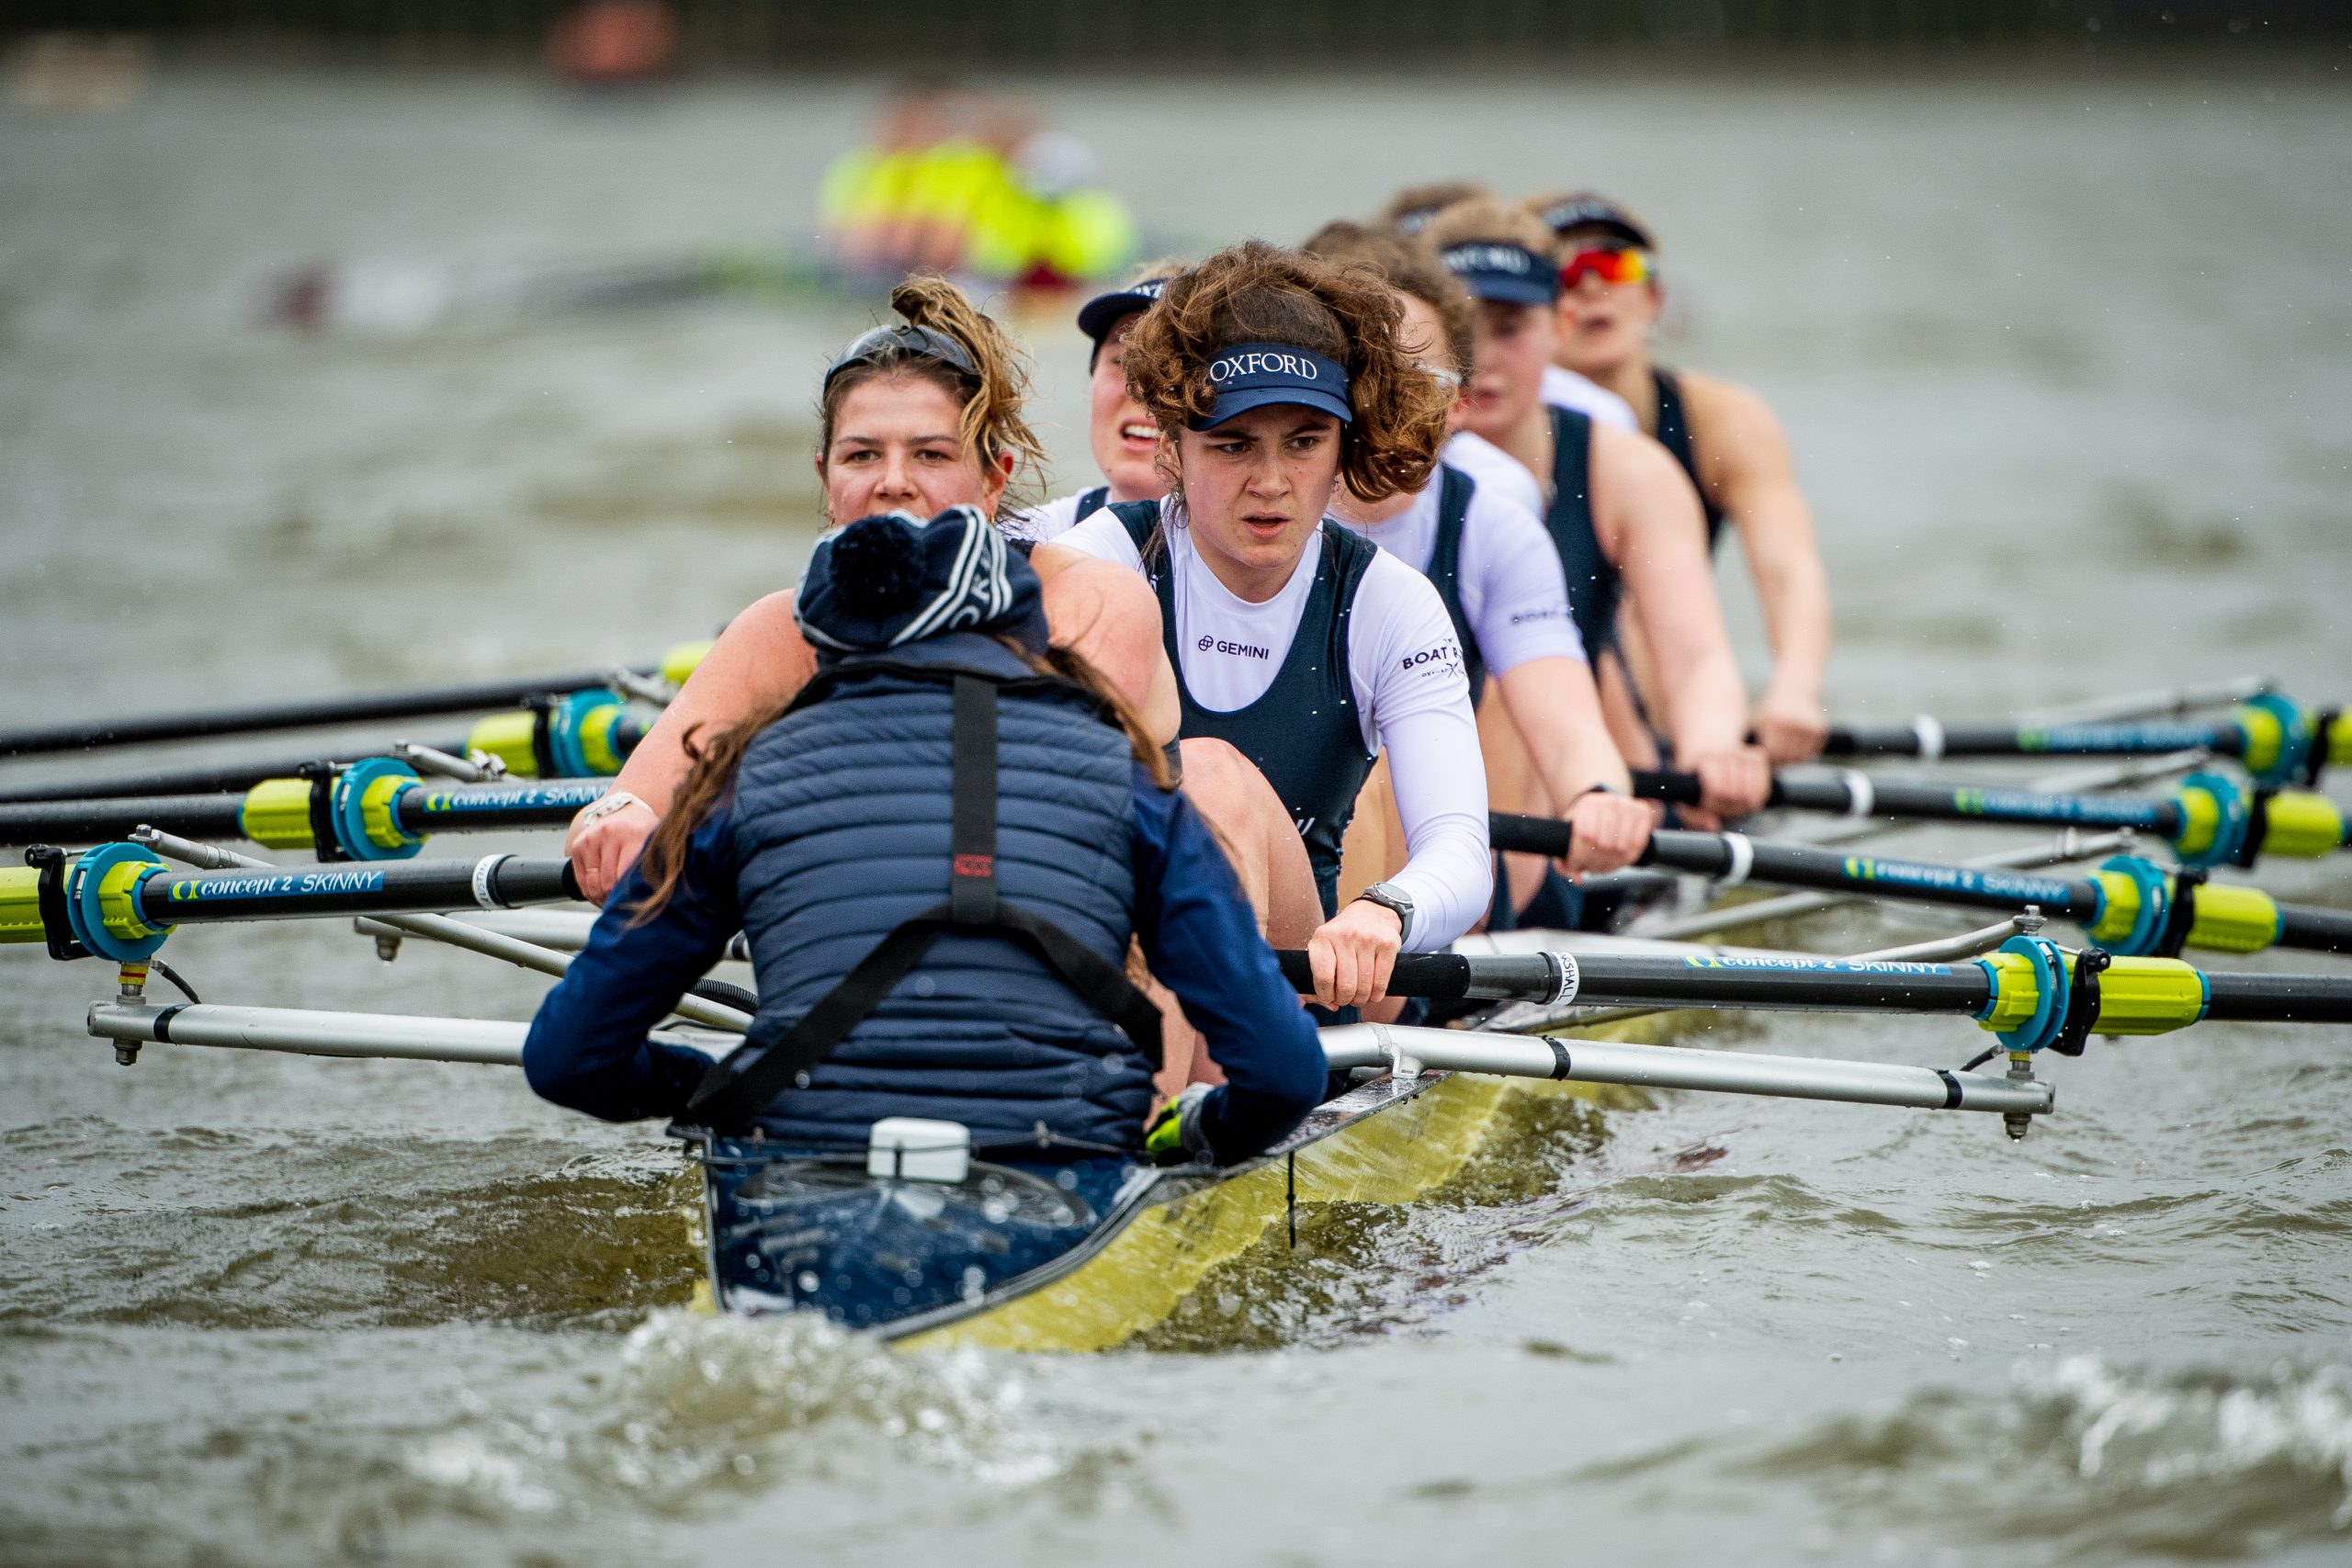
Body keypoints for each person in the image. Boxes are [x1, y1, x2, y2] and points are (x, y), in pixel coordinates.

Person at [524, 506, 1326, 1169]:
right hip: (1063, 1154)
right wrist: (1199, 1132)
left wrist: (705, 1084)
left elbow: (565, 1059)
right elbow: (1286, 1076)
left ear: (823, 644)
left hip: (801, 1154)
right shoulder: (1130, 781)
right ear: (1021, 630)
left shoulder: (739, 784)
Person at [567, 276, 1178, 908]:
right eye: (861, 456)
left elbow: (1027, 795)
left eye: (931, 455)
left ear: (993, 481)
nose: (893, 482)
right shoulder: (779, 630)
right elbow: (611, 808)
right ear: (826, 481)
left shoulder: (1089, 599)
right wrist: (619, 818)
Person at [1049, 241, 1492, 1008]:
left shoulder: (1390, 604)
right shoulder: (1097, 564)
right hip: (1123, 960)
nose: (1271, 482)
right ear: (1172, 444)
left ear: (1345, 442)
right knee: (1195, 789)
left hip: (1304, 984)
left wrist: (1387, 910)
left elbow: (1460, 851)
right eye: (1233, 445)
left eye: (1305, 442)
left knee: (1210, 776)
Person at [1299, 221, 1651, 913]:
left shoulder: (1493, 526)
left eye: (1414, 380)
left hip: (1433, 876)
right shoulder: (1254, 511)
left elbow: (1561, 707)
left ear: (1459, 403)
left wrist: (1597, 793)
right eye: (1366, 375)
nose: (1384, 403)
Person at [1420, 197, 1770, 830]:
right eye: (1462, 331)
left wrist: (1713, 748)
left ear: (1562, 324)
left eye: (1509, 328)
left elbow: (1694, 657)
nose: (1483, 359)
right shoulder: (1369, 468)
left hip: (1563, 797)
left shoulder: (1629, 471)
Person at [1528, 190, 1834, 762]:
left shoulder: (1724, 421)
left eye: (1613, 265)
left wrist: (1794, 689)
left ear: (1654, 298)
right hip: (1555, 738)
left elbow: (1789, 570)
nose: (1590, 287)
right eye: (1563, 270)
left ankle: (1697, 759)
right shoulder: (1500, 439)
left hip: (1684, 736)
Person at [1009, 259, 1186, 543]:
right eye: (1123, 362)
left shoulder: (1261, 560)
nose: (1141, 388)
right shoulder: (1022, 541)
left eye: (1171, 364)